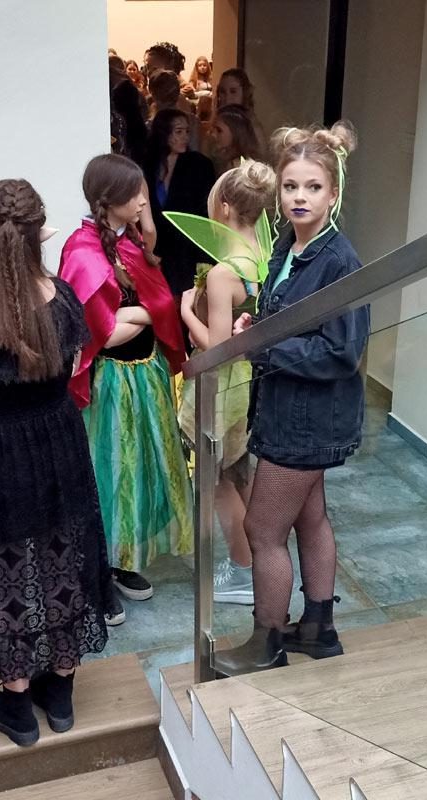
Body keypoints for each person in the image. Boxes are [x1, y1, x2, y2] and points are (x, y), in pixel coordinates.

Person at [0, 179, 109, 747]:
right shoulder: (64, 298)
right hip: (58, 439)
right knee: (62, 549)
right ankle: (60, 692)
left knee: (5, 559)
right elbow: (72, 362)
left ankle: (16, 704)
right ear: (38, 236)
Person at [217, 122, 368, 675]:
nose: (300, 197)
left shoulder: (339, 261)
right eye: (290, 186)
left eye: (313, 187)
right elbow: (288, 321)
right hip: (288, 408)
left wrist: (264, 345)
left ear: (333, 194)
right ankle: (318, 630)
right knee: (311, 518)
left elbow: (341, 353)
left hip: (307, 418)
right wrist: (256, 324)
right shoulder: (288, 245)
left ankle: (268, 643)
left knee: (262, 531)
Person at [58, 154, 193, 605]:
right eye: (135, 194)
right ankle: (97, 569)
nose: (142, 200)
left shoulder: (129, 241)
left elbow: (145, 302)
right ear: (109, 198)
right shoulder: (82, 251)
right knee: (109, 471)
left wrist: (138, 314)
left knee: (138, 470)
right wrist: (149, 314)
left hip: (145, 374)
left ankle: (122, 559)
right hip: (110, 381)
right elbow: (101, 334)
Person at [173, 160, 277, 605]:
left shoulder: (223, 273)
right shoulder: (266, 257)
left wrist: (185, 313)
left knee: (217, 480)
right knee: (239, 472)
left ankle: (241, 571)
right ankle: (256, 559)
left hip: (222, 388)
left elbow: (217, 349)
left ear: (228, 206)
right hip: (252, 383)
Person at [144, 109, 216, 297]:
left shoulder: (199, 164)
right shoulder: (148, 164)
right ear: (164, 133)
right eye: (178, 131)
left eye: (187, 131)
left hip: (188, 249)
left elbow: (206, 210)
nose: (185, 137)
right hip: (158, 249)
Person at [210, 104, 264, 174]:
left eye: (219, 130)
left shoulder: (241, 166)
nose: (213, 134)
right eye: (212, 129)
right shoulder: (220, 159)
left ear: (235, 133)